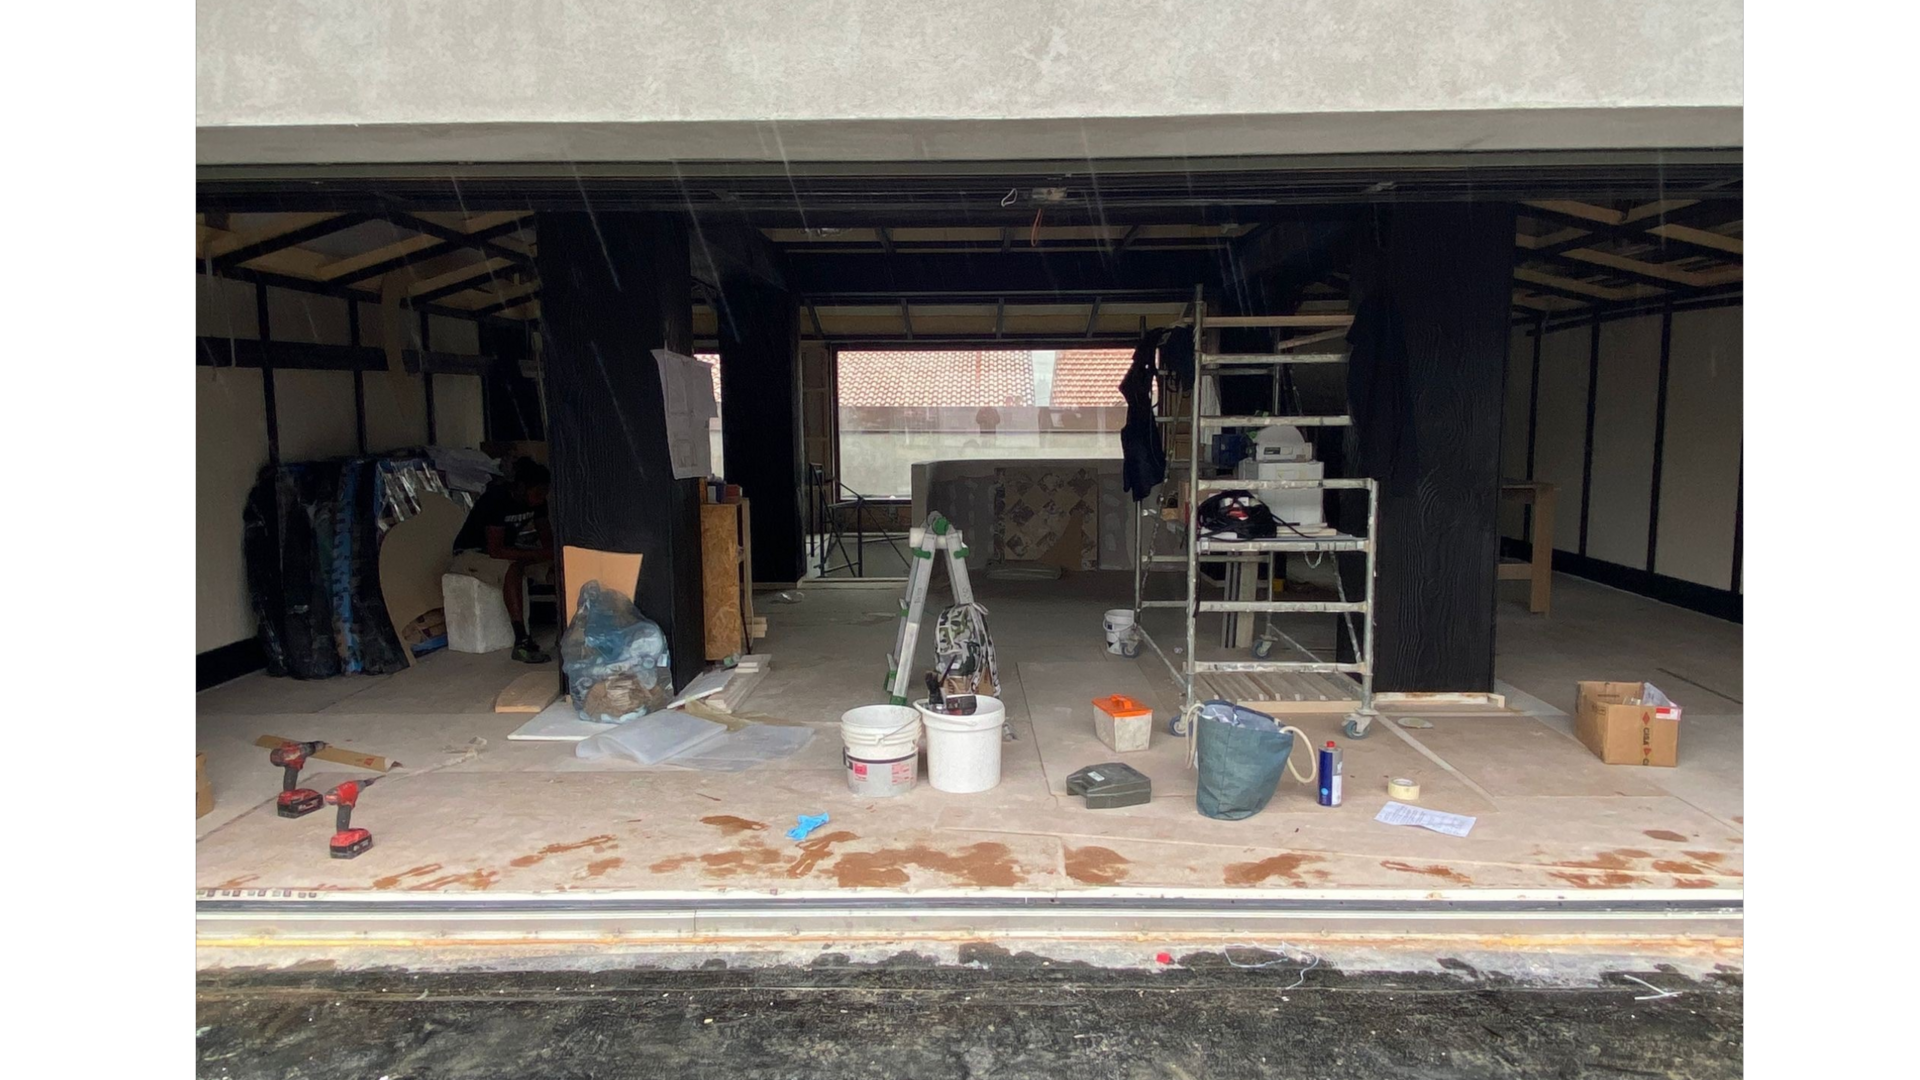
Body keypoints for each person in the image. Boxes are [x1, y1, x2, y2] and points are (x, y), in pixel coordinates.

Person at [448, 458, 554, 663]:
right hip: (472, 553)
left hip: (507, 551)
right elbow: (495, 551)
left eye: (545, 493)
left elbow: (547, 542)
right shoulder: (496, 499)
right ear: (522, 487)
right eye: (538, 492)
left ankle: (567, 627)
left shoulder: (539, 504)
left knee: (557, 567)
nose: (542, 498)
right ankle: (521, 641)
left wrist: (550, 557)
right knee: (512, 568)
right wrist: (536, 555)